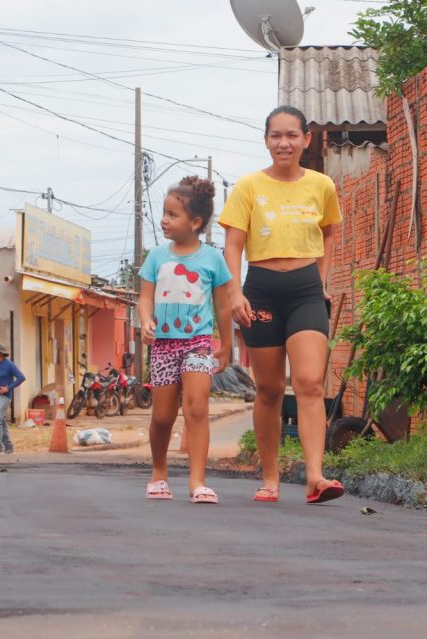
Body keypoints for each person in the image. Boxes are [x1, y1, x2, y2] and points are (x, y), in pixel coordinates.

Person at [218, 104, 345, 505]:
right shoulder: (248, 187)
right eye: (276, 135)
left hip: (306, 289)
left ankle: (315, 477)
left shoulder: (322, 185)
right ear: (266, 140)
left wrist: (322, 278)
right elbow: (233, 245)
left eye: (292, 135)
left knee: (309, 383)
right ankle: (270, 477)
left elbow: (329, 233)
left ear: (306, 140)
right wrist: (235, 292)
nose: (284, 143)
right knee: (270, 389)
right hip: (262, 289)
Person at [138, 176, 233, 503]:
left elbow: (223, 304)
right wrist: (145, 320)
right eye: (164, 213)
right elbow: (145, 298)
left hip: (199, 344)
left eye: (172, 214)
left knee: (196, 409)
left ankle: (197, 481)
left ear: (195, 222)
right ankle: (159, 474)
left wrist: (227, 345)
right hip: (164, 345)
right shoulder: (155, 257)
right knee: (162, 417)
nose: (164, 220)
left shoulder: (213, 259)